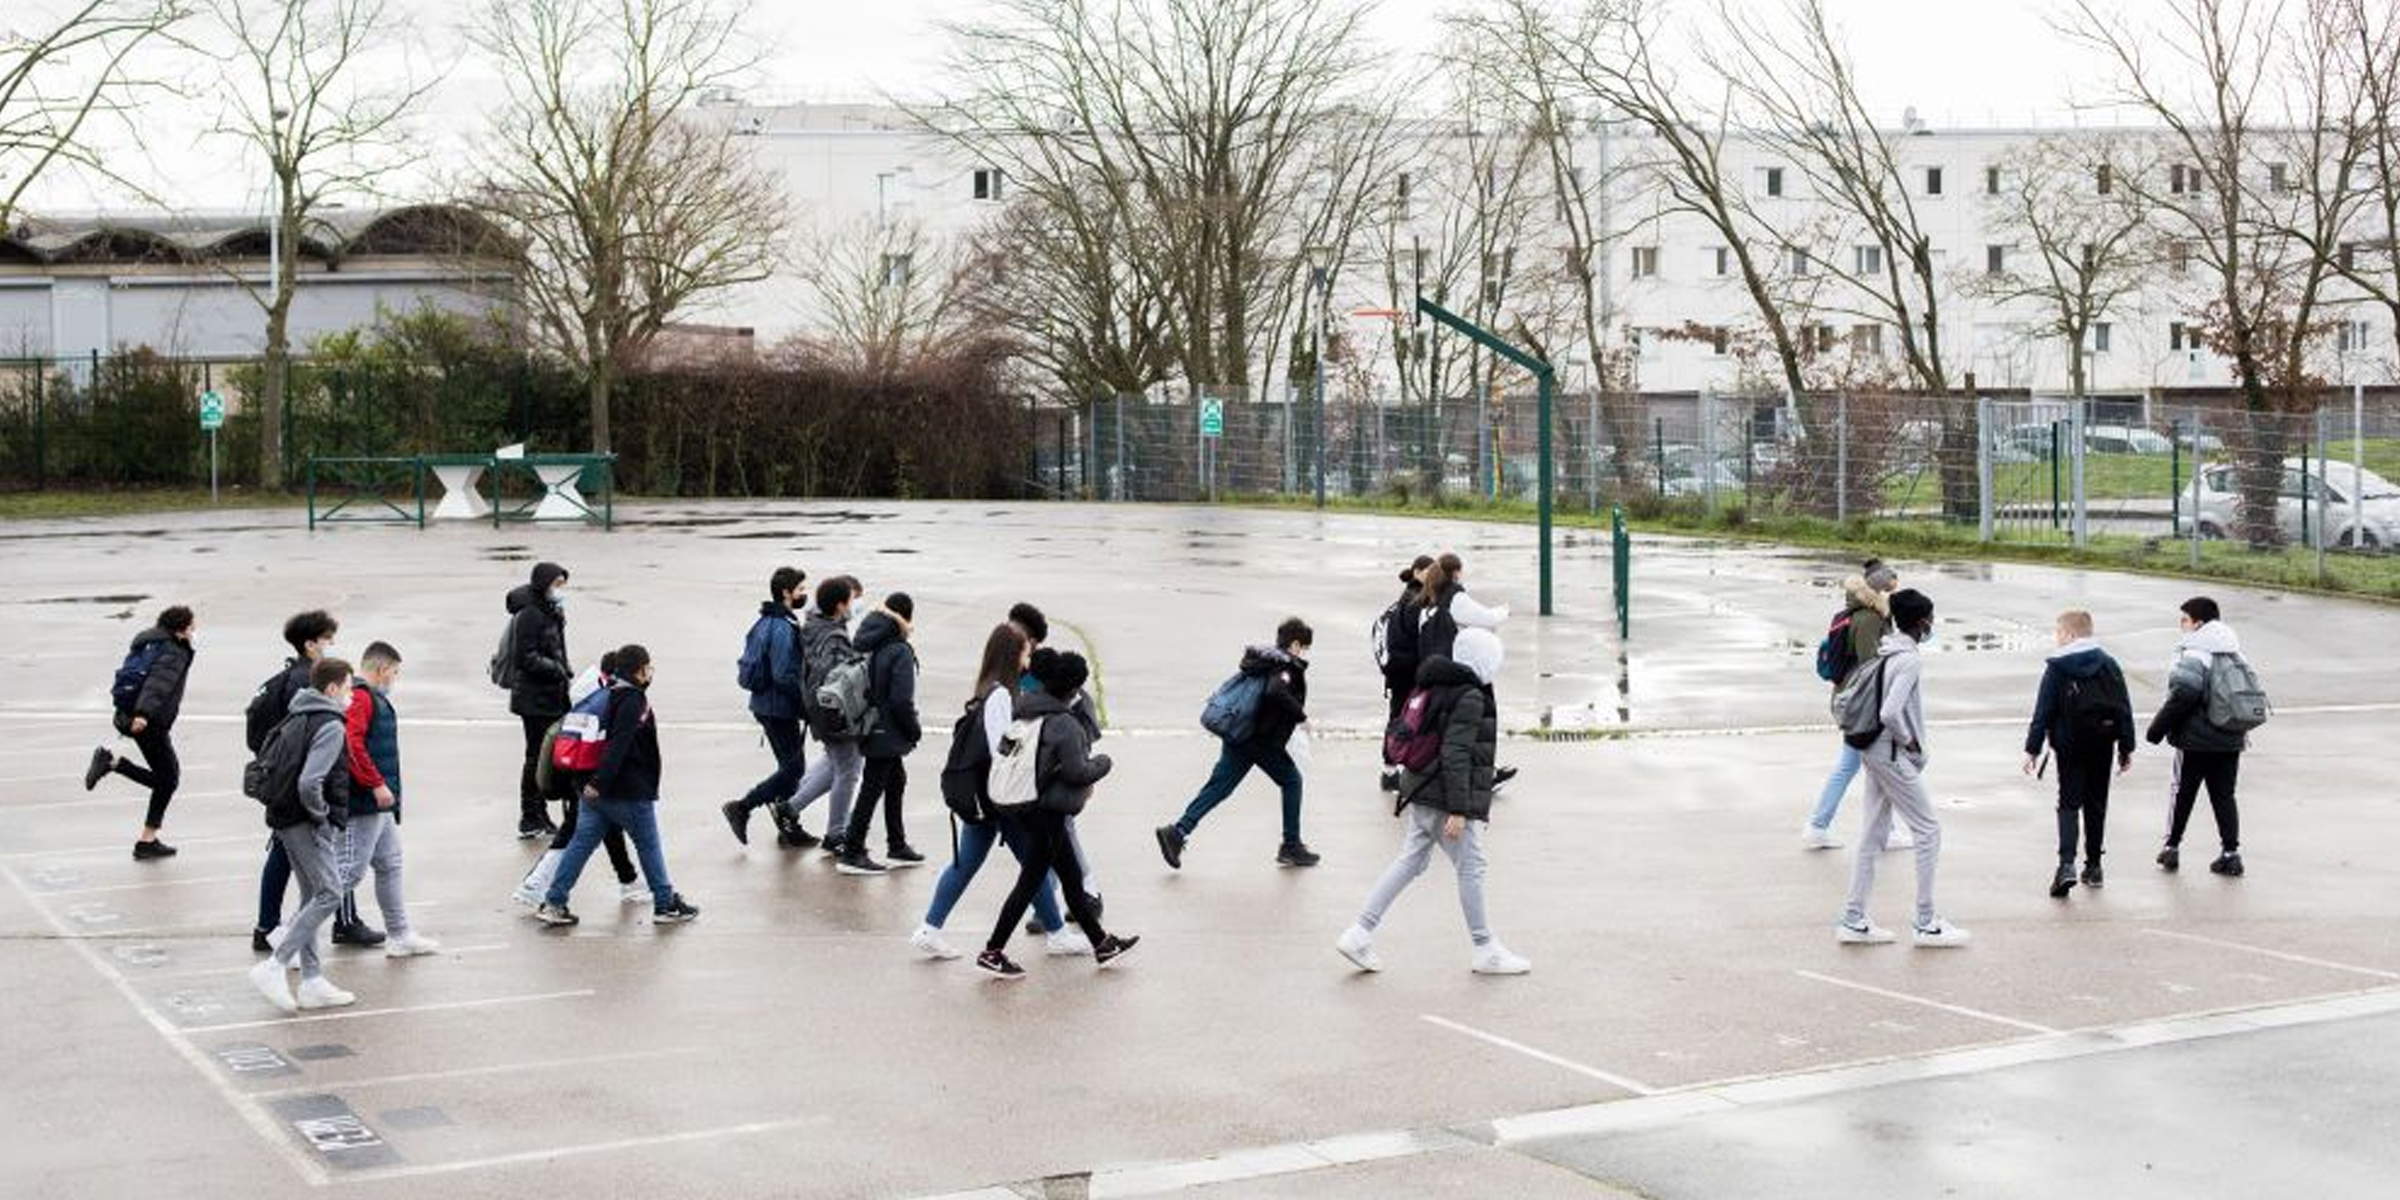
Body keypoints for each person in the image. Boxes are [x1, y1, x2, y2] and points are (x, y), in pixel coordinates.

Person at [1337, 628, 1530, 976]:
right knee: (1472, 867)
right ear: (1484, 662)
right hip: (1443, 794)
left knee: (1411, 860)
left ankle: (1359, 932)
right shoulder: (1469, 695)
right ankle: (1486, 948)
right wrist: (1459, 809)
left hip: (1419, 785)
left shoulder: (1433, 681)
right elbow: (1457, 753)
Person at [910, 624, 1086, 961]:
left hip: (985, 796)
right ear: (1013, 654)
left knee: (973, 863)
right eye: (1025, 651)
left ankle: (930, 928)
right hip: (1000, 797)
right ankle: (1057, 933)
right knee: (1032, 864)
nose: (1028, 658)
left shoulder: (988, 688)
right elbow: (1001, 748)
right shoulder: (1002, 694)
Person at [977, 649, 1138, 979]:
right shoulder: (1064, 723)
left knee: (1072, 880)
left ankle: (1102, 943)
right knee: (1030, 883)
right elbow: (1078, 772)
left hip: (1029, 806)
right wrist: (1105, 763)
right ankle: (992, 951)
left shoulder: (1028, 710)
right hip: (1047, 812)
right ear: (1075, 687)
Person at [1837, 588, 1969, 948]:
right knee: (1928, 830)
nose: (1932, 624)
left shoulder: (1887, 652)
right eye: (1931, 617)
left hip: (1872, 750)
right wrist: (1910, 742)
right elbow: (1890, 712)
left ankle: (1853, 918)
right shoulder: (1909, 660)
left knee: (1872, 834)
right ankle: (1926, 922)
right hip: (1891, 752)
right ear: (1922, 621)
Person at [536, 645, 700, 927]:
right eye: (648, 667)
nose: (650, 672)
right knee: (648, 844)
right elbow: (619, 745)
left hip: (592, 790)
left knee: (581, 844)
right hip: (624, 790)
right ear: (639, 670)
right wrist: (601, 782)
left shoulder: (604, 694)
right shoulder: (631, 700)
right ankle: (665, 903)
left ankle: (554, 901)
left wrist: (592, 784)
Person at [246, 611, 378, 952]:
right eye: (326, 639)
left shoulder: (289, 676)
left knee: (287, 861)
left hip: (286, 790)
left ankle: (271, 929)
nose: (331, 644)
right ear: (310, 644)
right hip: (301, 796)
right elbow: (311, 749)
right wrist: (321, 811)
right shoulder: (308, 683)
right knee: (322, 878)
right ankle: (296, 934)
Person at [1156, 618, 1321, 869]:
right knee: (1292, 781)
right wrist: (1302, 717)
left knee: (1220, 786)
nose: (1305, 653)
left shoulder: (1265, 660)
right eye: (1305, 647)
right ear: (1295, 644)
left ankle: (1177, 832)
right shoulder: (1284, 667)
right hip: (1259, 739)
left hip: (1239, 733)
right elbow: (1275, 692)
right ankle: (1291, 845)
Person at [246, 659, 363, 1014]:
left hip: (284, 817)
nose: (350, 696)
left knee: (312, 893)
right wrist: (322, 818)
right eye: (347, 689)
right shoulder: (330, 725)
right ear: (331, 690)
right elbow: (310, 781)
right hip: (305, 820)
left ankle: (312, 982)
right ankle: (276, 964)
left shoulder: (298, 713)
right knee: (330, 892)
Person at [513, 653, 643, 907]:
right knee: (575, 831)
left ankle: (629, 881)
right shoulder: (605, 695)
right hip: (585, 774)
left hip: (578, 771)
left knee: (604, 827)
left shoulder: (590, 690)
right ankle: (534, 883)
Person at [2021, 610, 2135, 898]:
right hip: (2103, 742)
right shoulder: (2108, 664)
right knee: (2097, 803)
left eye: (2058, 632)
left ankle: (2066, 865)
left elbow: (2043, 710)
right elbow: (2123, 706)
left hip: (2069, 744)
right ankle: (2094, 866)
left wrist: (2032, 749)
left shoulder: (2058, 667)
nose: (2056, 638)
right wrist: (2126, 747)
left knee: (2069, 802)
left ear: (2070, 634)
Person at [1007, 602, 1106, 929]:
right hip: (1030, 775)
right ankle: (1068, 902)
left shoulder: (1053, 673)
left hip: (1056, 777)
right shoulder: (1017, 675)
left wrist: (1087, 772)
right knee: (1051, 840)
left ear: (1032, 640)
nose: (1010, 636)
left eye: (1017, 631)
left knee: (1059, 834)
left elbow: (1083, 731)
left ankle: (1082, 897)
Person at [338, 642, 439, 957]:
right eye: (395, 672)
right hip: (364, 802)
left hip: (378, 804)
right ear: (381, 670)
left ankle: (399, 934)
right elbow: (351, 745)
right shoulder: (362, 699)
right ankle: (292, 935)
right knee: (348, 872)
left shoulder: (373, 698)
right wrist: (376, 784)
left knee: (390, 863)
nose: (395, 679)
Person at [1805, 559, 1912, 851]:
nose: (1892, 596)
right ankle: (1821, 825)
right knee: (1873, 766)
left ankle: (1821, 826)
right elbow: (1871, 668)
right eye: (1889, 590)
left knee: (1864, 766)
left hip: (1853, 700)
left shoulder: (1856, 614)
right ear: (1878, 591)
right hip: (1862, 705)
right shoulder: (1869, 619)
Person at [2146, 596, 2249, 878]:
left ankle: (2171, 847)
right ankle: (2231, 853)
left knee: (2182, 793)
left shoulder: (2196, 653)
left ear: (2198, 623)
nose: (2182, 624)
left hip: (2195, 739)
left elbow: (2185, 694)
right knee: (2224, 796)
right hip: (2231, 736)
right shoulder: (2235, 652)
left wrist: (2157, 729)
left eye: (2185, 619)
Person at [86, 605, 197, 861]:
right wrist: (144, 714)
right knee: (168, 779)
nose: (194, 631)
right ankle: (112, 763)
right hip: (147, 721)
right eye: (191, 627)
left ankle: (147, 839)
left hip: (128, 715)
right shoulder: (174, 650)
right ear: (181, 629)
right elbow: (158, 683)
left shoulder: (149, 640)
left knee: (166, 778)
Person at [724, 566, 813, 847]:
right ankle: (743, 806)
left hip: (766, 704)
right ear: (786, 593)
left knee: (788, 766)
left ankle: (788, 824)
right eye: (800, 589)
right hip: (779, 707)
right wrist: (805, 706)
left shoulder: (764, 622)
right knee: (794, 768)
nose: (804, 594)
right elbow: (784, 674)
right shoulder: (782, 628)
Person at [778, 577, 867, 857]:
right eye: (851, 600)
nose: (853, 606)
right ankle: (835, 833)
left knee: (834, 764)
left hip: (817, 711)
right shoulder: (834, 636)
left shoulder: (815, 624)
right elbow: (836, 679)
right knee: (849, 772)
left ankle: (789, 809)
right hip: (834, 713)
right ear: (840, 604)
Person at [838, 593, 925, 874]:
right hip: (887, 730)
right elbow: (901, 701)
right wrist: (914, 730)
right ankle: (852, 850)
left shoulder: (869, 641)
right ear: (907, 619)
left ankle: (897, 844)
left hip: (869, 724)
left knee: (896, 780)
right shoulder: (898, 650)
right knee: (872, 789)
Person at [1415, 554, 1517, 789]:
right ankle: (1481, 777)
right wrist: (1505, 611)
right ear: (1457, 572)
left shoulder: (1429, 601)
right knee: (1471, 728)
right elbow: (1487, 618)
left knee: (1444, 728)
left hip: (1434, 672)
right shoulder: (1456, 598)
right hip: (1458, 673)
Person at [505, 562, 574, 840]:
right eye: (556, 584)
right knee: (535, 756)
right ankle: (529, 816)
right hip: (534, 699)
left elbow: (554, 649)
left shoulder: (549, 610)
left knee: (545, 756)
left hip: (550, 695)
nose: (560, 590)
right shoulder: (530, 614)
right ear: (543, 583)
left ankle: (540, 812)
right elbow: (525, 657)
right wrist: (558, 669)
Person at [1376, 556, 1436, 793]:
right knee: (1402, 720)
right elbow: (1418, 639)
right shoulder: (1415, 601)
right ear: (1417, 572)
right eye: (1429, 572)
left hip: (1400, 670)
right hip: (1407, 671)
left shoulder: (1410, 596)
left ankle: (1391, 770)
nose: (1433, 577)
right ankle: (1391, 771)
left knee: (1400, 717)